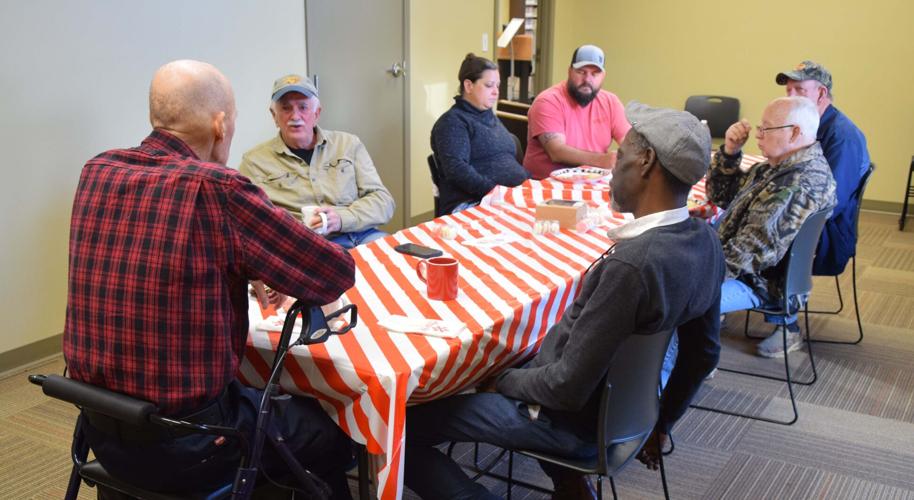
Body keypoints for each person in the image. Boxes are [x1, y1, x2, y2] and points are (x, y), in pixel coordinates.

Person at [63, 60, 356, 499]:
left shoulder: (98, 171)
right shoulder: (218, 188)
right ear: (221, 124)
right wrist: (256, 261)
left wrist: (242, 264)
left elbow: (157, 256)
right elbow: (333, 273)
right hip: (193, 442)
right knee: (330, 427)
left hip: (102, 431)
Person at [404, 103, 725, 499]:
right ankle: (571, 486)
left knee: (400, 430)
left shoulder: (631, 267)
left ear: (645, 161)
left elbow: (564, 388)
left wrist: (498, 382)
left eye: (621, 153)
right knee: (524, 349)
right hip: (626, 414)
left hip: (566, 422)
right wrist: (662, 423)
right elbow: (703, 353)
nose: (612, 167)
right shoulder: (705, 241)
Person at [708, 96, 837, 358]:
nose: (758, 135)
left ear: (795, 133)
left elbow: (751, 252)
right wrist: (730, 152)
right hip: (746, 270)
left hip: (760, 283)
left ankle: (683, 369)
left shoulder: (797, 184)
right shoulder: (778, 167)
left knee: (674, 296)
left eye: (766, 128)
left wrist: (695, 276)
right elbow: (723, 196)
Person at [240, 74, 395, 249]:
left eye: (303, 107)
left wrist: (341, 218)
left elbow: (383, 201)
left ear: (317, 113)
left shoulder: (348, 144)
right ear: (274, 116)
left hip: (362, 234)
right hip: (308, 248)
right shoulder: (254, 162)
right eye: (286, 108)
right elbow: (249, 222)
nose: (295, 116)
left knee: (402, 260)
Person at [775, 60, 870, 275]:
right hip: (803, 217)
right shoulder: (806, 125)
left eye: (799, 90)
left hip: (824, 235)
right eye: (788, 90)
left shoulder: (843, 137)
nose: (790, 97)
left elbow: (831, 203)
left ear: (821, 93)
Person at [430, 53, 529, 214]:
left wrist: (528, 183)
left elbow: (507, 160)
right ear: (469, 86)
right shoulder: (452, 122)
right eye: (489, 85)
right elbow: (457, 170)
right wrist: (496, 192)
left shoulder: (488, 116)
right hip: (473, 202)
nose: (496, 92)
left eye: (498, 86)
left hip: (509, 197)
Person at [522, 44, 631, 180]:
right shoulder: (548, 101)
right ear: (569, 71)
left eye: (595, 73)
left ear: (603, 76)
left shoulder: (611, 102)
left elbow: (631, 144)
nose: (587, 79)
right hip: (545, 184)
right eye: (581, 72)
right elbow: (556, 152)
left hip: (592, 182)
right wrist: (602, 160)